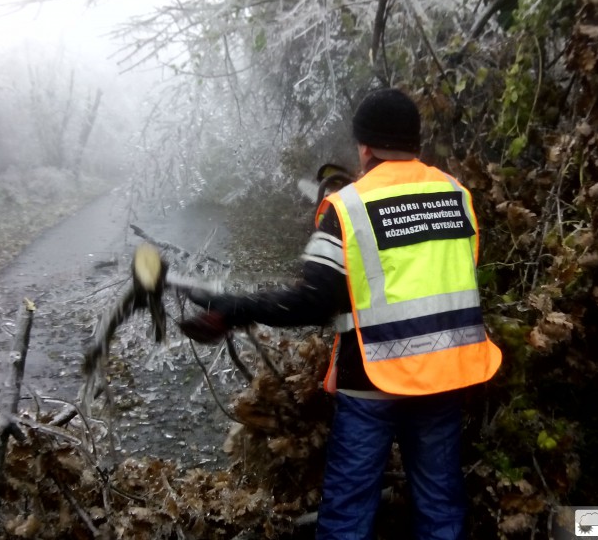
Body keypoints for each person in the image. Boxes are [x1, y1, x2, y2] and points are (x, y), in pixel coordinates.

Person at [179, 87, 502, 540]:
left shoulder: (348, 207)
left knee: (349, 511)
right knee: (441, 503)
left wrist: (236, 309)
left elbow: (312, 300)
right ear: (416, 143)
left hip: (373, 380)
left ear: (364, 146)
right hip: (447, 373)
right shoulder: (456, 195)